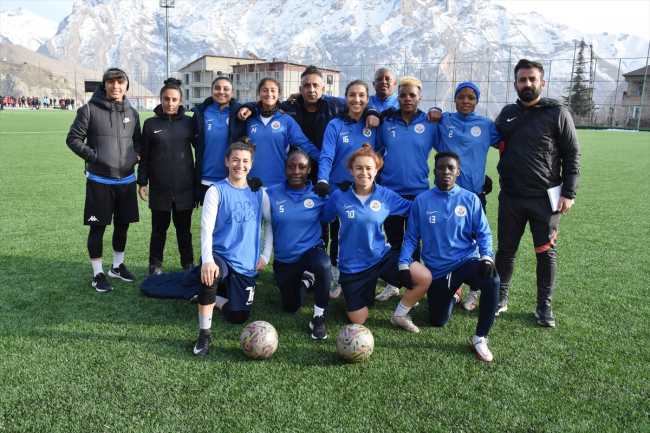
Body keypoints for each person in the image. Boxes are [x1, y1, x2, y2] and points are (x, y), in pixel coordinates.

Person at [494, 59, 580, 327]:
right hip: (510, 197)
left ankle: (544, 306)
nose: (527, 83)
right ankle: (499, 298)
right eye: (522, 79)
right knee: (505, 251)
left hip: (545, 199)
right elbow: (483, 139)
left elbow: (572, 153)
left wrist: (569, 192)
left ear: (542, 83)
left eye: (532, 79)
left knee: (545, 253)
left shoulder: (558, 112)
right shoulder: (507, 114)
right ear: (515, 84)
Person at [395, 151, 500, 362]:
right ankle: (454, 295)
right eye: (441, 168)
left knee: (492, 280)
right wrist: (403, 264)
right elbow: (411, 237)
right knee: (437, 321)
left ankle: (480, 338)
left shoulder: (470, 199)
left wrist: (487, 257)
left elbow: (483, 233)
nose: (446, 171)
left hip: (466, 260)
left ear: (458, 172)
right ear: (434, 171)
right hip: (438, 270)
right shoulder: (421, 201)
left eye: (451, 168)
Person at [321, 143, 425, 325]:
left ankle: (399, 315)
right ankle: (353, 291)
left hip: (381, 257)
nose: (364, 172)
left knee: (424, 278)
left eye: (369, 168)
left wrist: (436, 201)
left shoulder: (386, 195)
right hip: (352, 267)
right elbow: (324, 216)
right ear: (351, 171)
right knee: (358, 320)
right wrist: (318, 197)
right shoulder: (339, 196)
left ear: (376, 170)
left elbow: (413, 208)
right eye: (359, 168)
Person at [193, 138, 272, 357]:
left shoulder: (259, 192)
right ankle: (204, 334)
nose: (240, 165)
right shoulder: (216, 190)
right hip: (220, 255)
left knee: (238, 317)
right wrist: (207, 260)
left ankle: (215, 300)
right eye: (235, 160)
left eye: (245, 161)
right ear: (227, 161)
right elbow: (206, 228)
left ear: (251, 164)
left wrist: (265, 255)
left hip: (246, 263)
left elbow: (269, 223)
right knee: (210, 275)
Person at [66, 67, 142, 293]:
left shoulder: (133, 113)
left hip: (126, 180)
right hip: (100, 180)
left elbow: (138, 141)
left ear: (126, 86)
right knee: (97, 227)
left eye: (120, 82)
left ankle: (117, 267)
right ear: (104, 84)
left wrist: (135, 157)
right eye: (111, 82)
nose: (116, 86)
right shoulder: (89, 110)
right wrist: (94, 157)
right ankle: (97, 273)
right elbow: (73, 139)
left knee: (122, 226)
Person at [432, 81, 502, 311]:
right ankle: (454, 287)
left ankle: (474, 289)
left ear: (477, 101)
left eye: (471, 98)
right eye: (461, 96)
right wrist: (435, 110)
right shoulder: (444, 120)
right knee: (448, 240)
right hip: (446, 194)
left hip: (474, 194)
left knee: (475, 241)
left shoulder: (486, 125)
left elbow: (506, 143)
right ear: (455, 99)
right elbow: (427, 120)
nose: (465, 101)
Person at [314, 80, 382, 298]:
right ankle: (338, 280)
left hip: (366, 191)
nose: (356, 99)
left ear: (368, 99)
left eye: (361, 95)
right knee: (338, 235)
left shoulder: (374, 124)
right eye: (352, 95)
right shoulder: (335, 125)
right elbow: (326, 155)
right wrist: (323, 180)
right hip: (339, 190)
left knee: (364, 235)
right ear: (346, 98)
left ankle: (363, 276)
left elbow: (382, 154)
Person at [374, 76, 439, 302]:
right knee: (394, 241)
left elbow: (446, 150)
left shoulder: (430, 123)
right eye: (402, 95)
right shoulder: (387, 121)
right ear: (397, 97)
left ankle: (414, 285)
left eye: (412, 95)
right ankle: (393, 284)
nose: (407, 99)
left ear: (420, 98)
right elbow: (375, 150)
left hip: (419, 192)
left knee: (414, 242)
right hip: (390, 191)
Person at [266, 149, 332, 339]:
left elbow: (335, 210)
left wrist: (340, 191)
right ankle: (306, 280)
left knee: (323, 264)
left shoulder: (318, 193)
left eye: (301, 167)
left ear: (309, 170)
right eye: (291, 166)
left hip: (311, 250)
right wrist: (251, 186)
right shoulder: (271, 193)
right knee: (291, 307)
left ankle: (318, 317)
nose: (296, 171)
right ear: (285, 168)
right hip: (285, 259)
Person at [137, 78, 196, 278]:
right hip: (159, 188)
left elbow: (201, 150)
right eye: (166, 99)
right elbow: (145, 156)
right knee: (158, 232)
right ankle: (154, 267)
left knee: (184, 232)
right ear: (160, 99)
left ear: (181, 101)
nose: (170, 103)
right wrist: (142, 182)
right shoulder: (150, 124)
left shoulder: (189, 123)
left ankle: (188, 265)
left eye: (174, 99)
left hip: (184, 188)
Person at [237, 77, 320, 187]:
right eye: (265, 90)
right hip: (250, 182)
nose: (269, 94)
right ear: (258, 93)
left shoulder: (286, 120)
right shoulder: (249, 118)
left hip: (278, 184)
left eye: (273, 90)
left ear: (279, 94)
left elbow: (306, 145)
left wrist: (326, 161)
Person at [191, 76, 246, 205]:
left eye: (226, 89)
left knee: (230, 216)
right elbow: (193, 139)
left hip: (231, 177)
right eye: (217, 88)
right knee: (208, 217)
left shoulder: (241, 114)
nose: (221, 92)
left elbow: (258, 107)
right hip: (206, 178)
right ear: (212, 91)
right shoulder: (201, 113)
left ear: (232, 93)